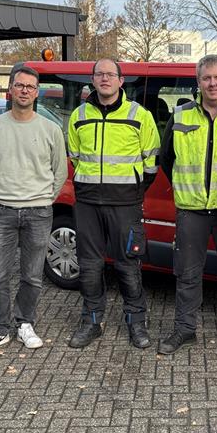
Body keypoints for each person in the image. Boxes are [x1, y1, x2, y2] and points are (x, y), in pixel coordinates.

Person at [157, 54, 217, 355]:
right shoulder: (181, 115)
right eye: (206, 78)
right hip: (191, 209)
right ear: (198, 82)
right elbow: (166, 158)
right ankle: (184, 329)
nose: (212, 83)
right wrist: (185, 188)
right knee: (187, 274)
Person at [67, 58, 160, 350]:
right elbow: (75, 157)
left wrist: (133, 190)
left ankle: (136, 322)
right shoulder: (79, 115)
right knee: (89, 267)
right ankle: (91, 321)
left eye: (110, 74)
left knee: (128, 266)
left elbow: (151, 162)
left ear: (121, 81)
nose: (105, 79)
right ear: (92, 80)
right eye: (99, 74)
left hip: (125, 204)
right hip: (88, 204)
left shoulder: (139, 115)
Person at [0, 66, 67, 353]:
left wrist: (44, 198)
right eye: (19, 85)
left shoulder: (51, 129)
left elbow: (60, 171)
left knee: (32, 275)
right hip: (2, 210)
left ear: (37, 92)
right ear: (10, 89)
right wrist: (2, 192)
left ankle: (25, 322)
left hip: (38, 211)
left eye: (30, 86)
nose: (24, 90)